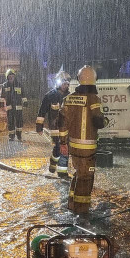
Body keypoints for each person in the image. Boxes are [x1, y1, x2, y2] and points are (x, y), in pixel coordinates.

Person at [60, 65, 106, 214]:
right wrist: (105, 120)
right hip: (88, 148)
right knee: (86, 178)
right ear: (94, 79)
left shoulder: (69, 99)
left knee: (79, 173)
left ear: (79, 79)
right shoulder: (93, 99)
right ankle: (81, 213)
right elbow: (99, 123)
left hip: (73, 146)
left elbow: (62, 123)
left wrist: (62, 143)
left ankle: (71, 204)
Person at [36, 76, 71, 175]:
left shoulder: (70, 97)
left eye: (67, 84)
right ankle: (61, 172)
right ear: (58, 83)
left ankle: (57, 166)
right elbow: (42, 111)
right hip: (55, 128)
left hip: (66, 128)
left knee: (63, 147)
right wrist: (39, 127)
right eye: (63, 83)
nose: (65, 85)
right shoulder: (50, 96)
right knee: (60, 146)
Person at [0, 69, 24, 141]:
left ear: (14, 76)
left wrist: (25, 102)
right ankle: (11, 136)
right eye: (9, 76)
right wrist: (1, 105)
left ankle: (19, 135)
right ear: (7, 77)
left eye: (12, 75)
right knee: (10, 122)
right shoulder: (5, 85)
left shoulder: (19, 85)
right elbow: (2, 96)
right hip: (10, 107)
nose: (11, 77)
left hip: (18, 107)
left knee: (19, 121)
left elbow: (23, 95)